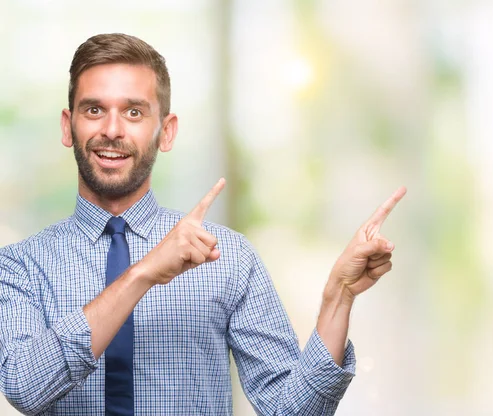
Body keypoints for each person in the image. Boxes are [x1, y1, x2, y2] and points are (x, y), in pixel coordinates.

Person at [0, 33, 406, 416]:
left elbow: (290, 410)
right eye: (94, 110)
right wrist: (143, 273)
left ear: (167, 131)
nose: (111, 130)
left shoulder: (228, 257)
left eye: (134, 112)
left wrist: (339, 298)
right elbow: (25, 388)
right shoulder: (20, 266)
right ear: (67, 126)